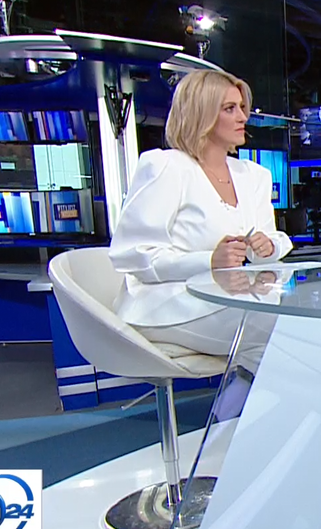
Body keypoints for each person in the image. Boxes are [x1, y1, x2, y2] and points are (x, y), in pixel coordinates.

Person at [109, 69, 292, 367]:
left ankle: (239, 398)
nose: (243, 117)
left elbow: (270, 245)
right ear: (201, 115)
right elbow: (132, 255)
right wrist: (209, 261)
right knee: (283, 332)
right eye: (229, 109)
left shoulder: (253, 176)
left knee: (288, 331)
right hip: (167, 305)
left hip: (233, 298)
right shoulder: (167, 167)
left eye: (242, 107)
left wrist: (268, 247)